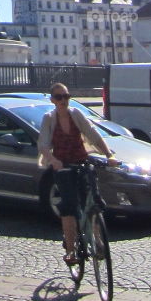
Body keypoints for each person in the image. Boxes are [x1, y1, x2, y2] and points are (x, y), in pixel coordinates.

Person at [37, 82, 116, 265]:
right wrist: (53, 160)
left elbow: (92, 133)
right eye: (59, 97)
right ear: (53, 100)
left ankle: (97, 240)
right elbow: (43, 144)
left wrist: (108, 154)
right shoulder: (49, 118)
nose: (63, 100)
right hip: (63, 166)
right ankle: (71, 250)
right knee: (69, 206)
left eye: (66, 96)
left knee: (94, 201)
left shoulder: (76, 114)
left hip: (81, 161)